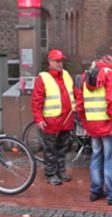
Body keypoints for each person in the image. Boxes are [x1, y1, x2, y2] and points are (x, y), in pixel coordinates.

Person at [76, 45, 112, 205]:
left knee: (96, 157)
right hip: (108, 126)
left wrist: (85, 123)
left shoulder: (85, 76)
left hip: (93, 125)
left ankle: (96, 191)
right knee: (110, 160)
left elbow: (80, 103)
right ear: (106, 58)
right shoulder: (110, 74)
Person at [31, 49, 75, 186]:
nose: (60, 64)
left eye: (61, 61)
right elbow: (36, 101)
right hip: (51, 121)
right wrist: (39, 119)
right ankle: (50, 174)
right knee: (50, 150)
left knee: (62, 148)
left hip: (66, 120)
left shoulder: (66, 75)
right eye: (57, 61)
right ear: (50, 62)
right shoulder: (43, 78)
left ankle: (61, 171)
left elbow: (74, 92)